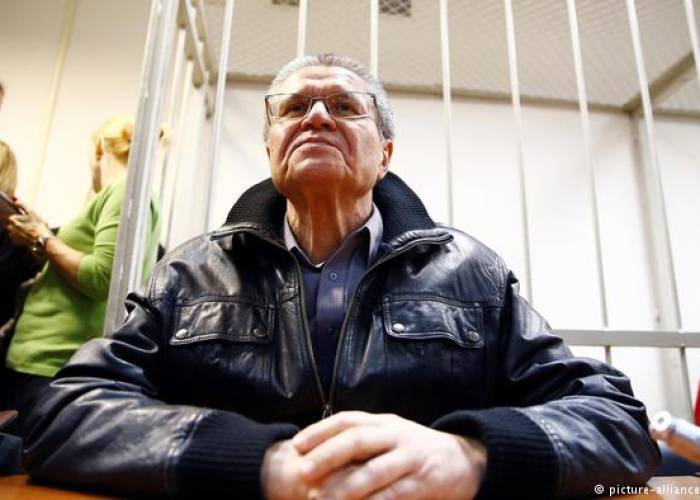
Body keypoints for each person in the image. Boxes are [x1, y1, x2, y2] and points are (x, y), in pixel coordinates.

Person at [21, 54, 659, 499]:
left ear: (385, 155)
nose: (317, 117)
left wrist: (472, 455)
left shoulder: (472, 273)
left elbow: (617, 421)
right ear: (271, 147)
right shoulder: (189, 272)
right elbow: (65, 414)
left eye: (345, 106)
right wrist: (256, 464)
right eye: (295, 106)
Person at [0, 116, 165, 436]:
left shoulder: (122, 191)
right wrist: (39, 232)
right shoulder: (129, 194)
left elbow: (102, 277)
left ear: (99, 150)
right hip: (46, 357)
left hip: (50, 359)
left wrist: (41, 237)